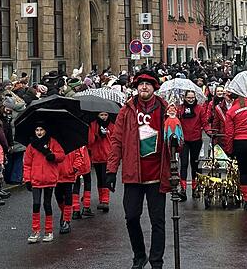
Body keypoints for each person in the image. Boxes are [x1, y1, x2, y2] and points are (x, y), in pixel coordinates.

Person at [106, 71, 176, 269]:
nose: (144, 87)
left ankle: (156, 261)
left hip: (156, 174)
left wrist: (174, 133)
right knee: (131, 217)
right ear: (136, 87)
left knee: (158, 222)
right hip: (133, 174)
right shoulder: (126, 110)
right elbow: (116, 140)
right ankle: (139, 255)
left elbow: (177, 142)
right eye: (140, 84)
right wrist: (111, 170)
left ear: (154, 87)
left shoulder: (164, 109)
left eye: (148, 84)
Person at [24, 124, 65, 243]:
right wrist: (27, 179)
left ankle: (48, 230)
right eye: (37, 130)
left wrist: (53, 156)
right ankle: (36, 230)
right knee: (36, 204)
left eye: (41, 129)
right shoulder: (31, 146)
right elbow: (27, 164)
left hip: (49, 178)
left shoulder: (53, 142)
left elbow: (61, 155)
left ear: (46, 131)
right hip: (35, 179)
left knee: (47, 204)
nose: (39, 132)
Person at [178, 90, 206, 201]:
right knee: (183, 164)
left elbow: (204, 122)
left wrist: (209, 131)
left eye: (192, 98)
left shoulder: (200, 109)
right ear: (184, 98)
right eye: (188, 98)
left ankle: (195, 189)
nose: (190, 99)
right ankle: (183, 190)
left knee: (195, 165)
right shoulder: (180, 109)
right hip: (183, 140)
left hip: (196, 139)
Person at [55, 143, 89, 234]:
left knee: (68, 196)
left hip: (69, 175)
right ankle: (65, 213)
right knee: (58, 197)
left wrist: (74, 168)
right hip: (56, 175)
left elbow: (79, 156)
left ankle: (66, 221)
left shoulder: (72, 142)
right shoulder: (53, 142)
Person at [86, 111, 113, 213]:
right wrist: (98, 135)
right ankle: (101, 199)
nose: (104, 117)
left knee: (105, 177)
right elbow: (89, 141)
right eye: (101, 115)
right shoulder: (93, 125)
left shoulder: (112, 125)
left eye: (105, 115)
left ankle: (105, 201)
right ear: (98, 115)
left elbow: (114, 140)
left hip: (108, 156)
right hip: (96, 155)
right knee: (99, 178)